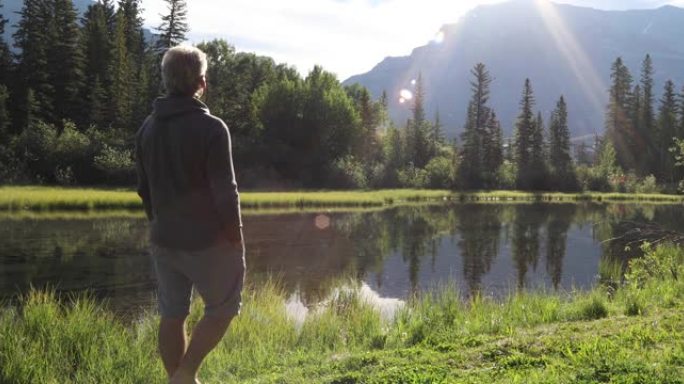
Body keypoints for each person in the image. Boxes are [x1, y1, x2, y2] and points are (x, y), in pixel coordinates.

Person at [135, 45, 245, 384]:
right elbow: (225, 190)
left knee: (172, 313)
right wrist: (235, 235)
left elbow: (144, 189)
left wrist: (158, 222)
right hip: (208, 242)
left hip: (163, 239)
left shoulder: (147, 129)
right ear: (202, 82)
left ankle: (178, 380)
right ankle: (185, 374)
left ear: (166, 81)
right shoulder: (212, 127)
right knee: (224, 308)